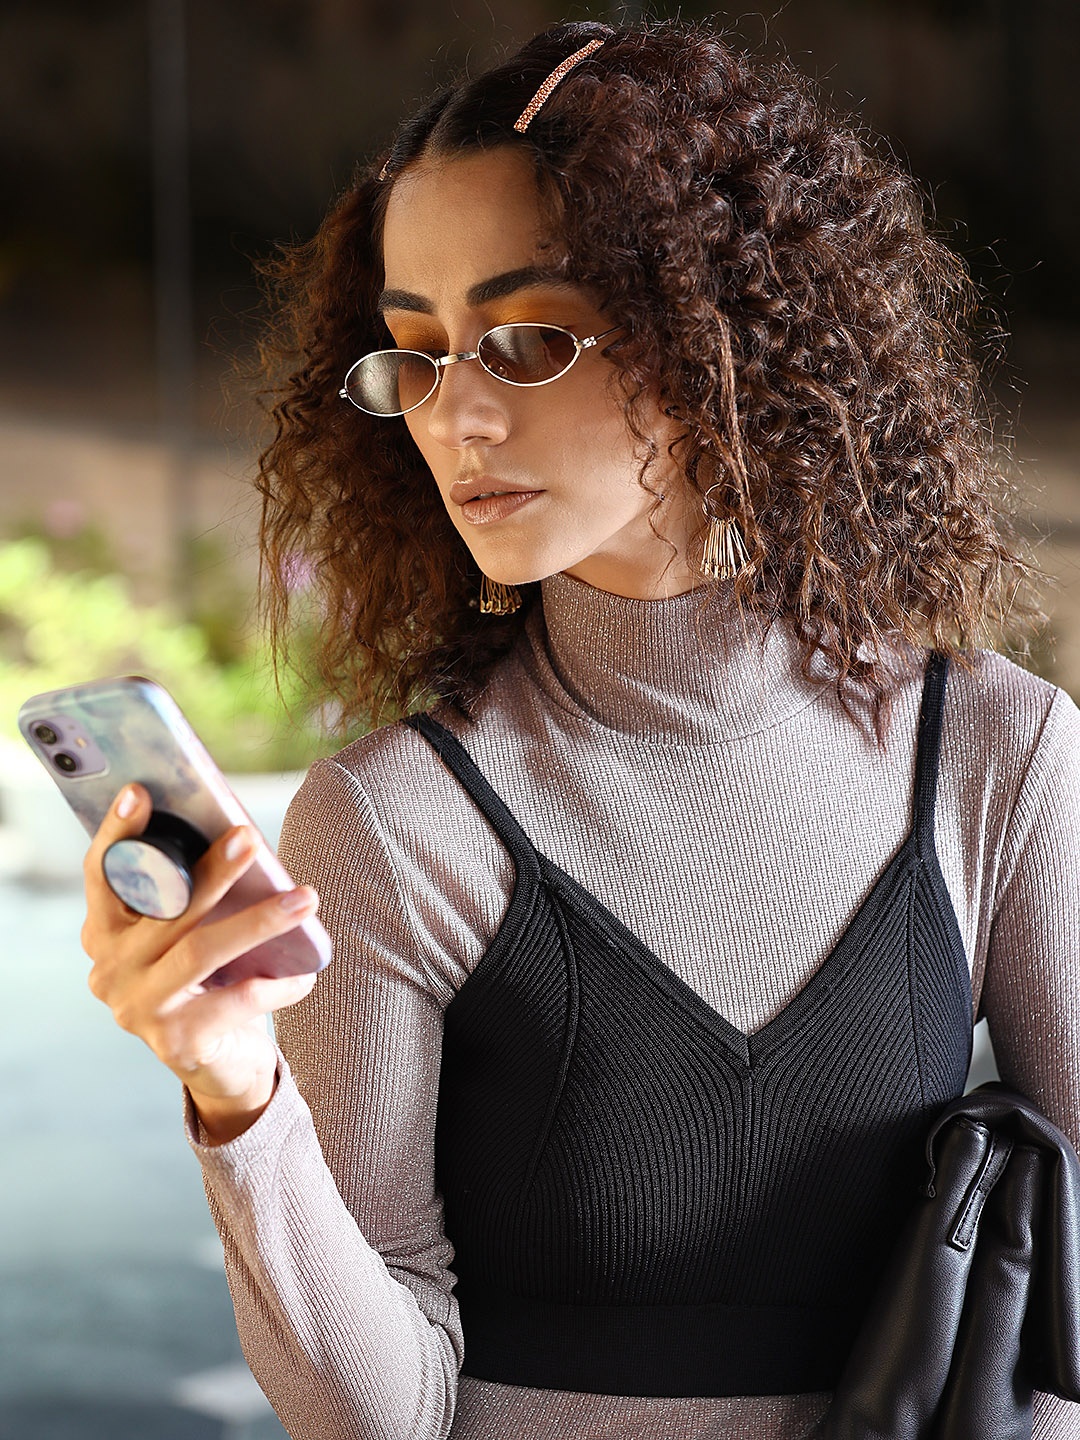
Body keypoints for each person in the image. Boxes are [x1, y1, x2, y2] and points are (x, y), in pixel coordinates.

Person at [80, 18, 1080, 1440]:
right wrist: (236, 1098)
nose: (455, 416)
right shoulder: (394, 827)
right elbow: (380, 1418)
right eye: (415, 353)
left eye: (529, 338)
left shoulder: (999, 757)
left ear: (712, 324)